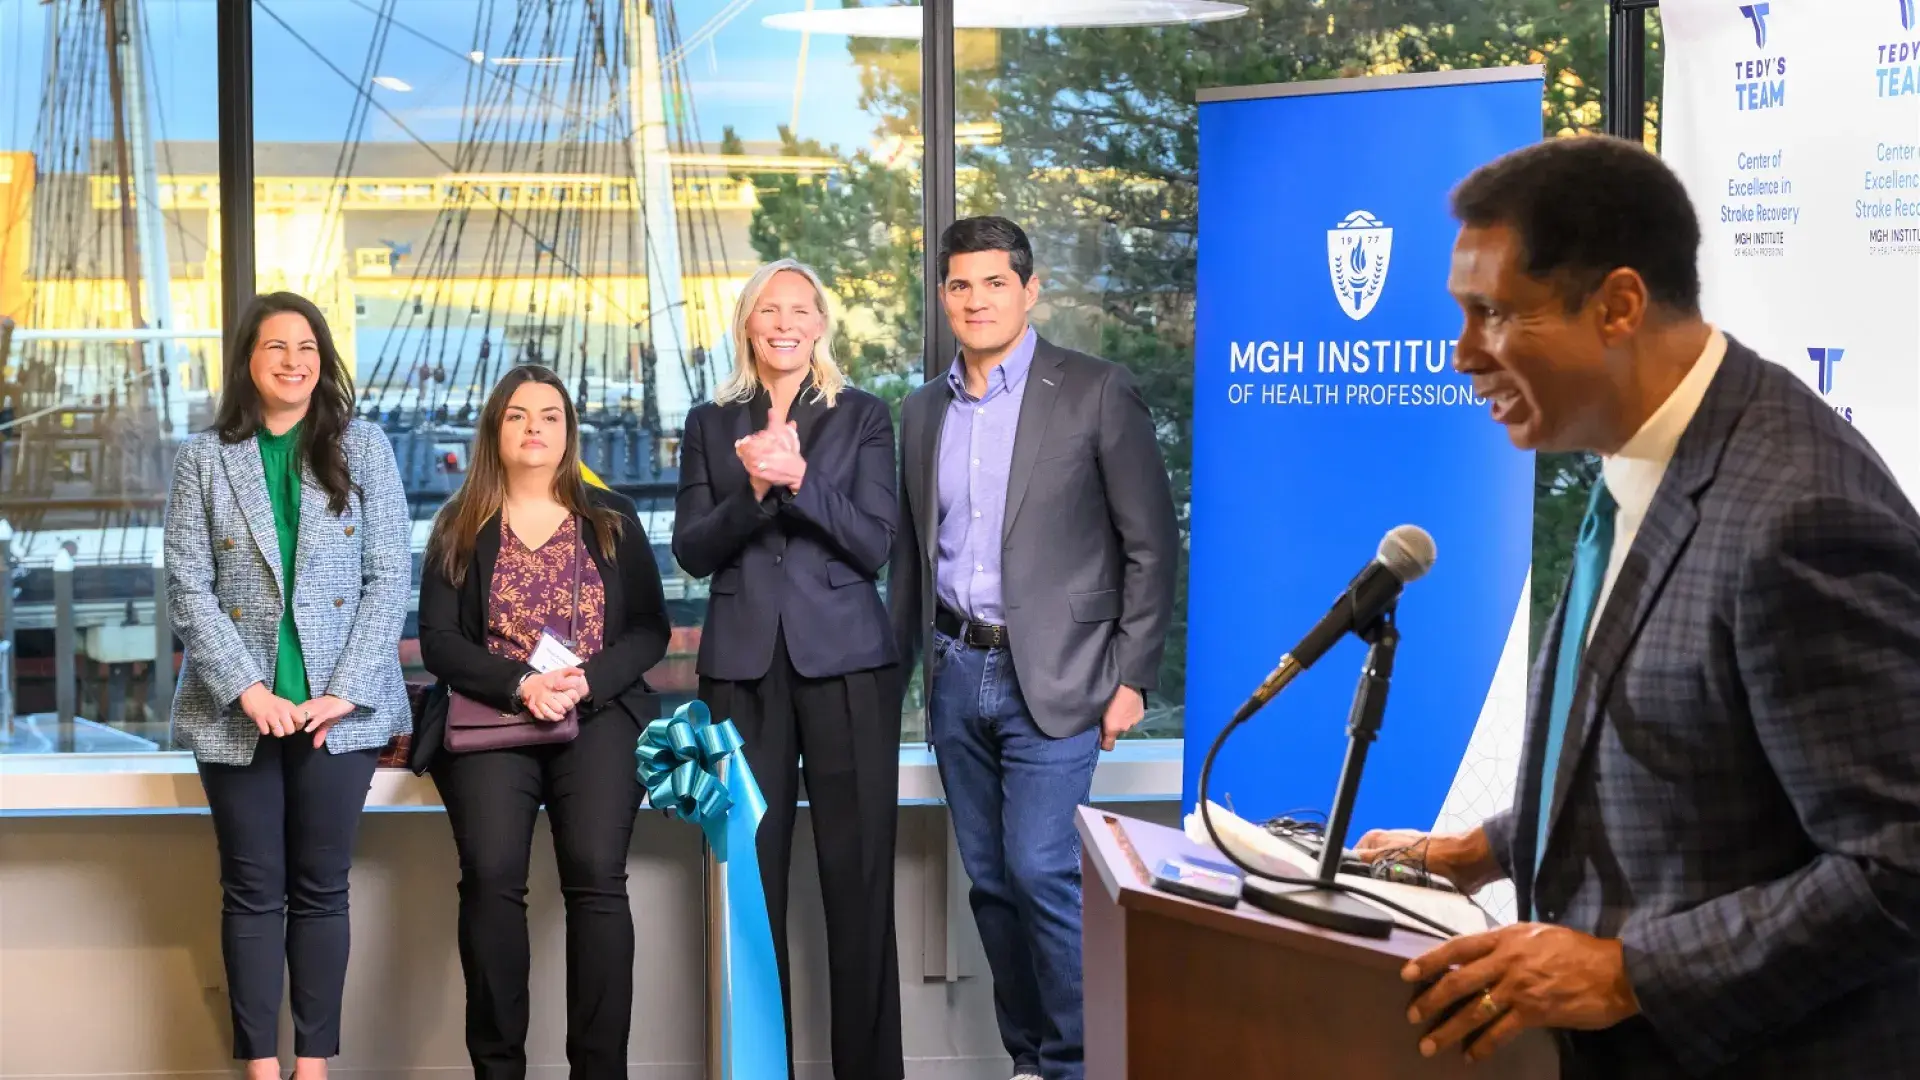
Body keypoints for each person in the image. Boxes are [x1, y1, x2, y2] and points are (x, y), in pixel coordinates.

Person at [1351, 136, 1920, 1078]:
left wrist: (1629, 974)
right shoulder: (1642, 454)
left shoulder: (1797, 515)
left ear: (1617, 305)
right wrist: (1486, 847)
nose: (1461, 357)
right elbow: (1678, 746)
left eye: (1492, 313)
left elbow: (1902, 861)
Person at [889, 217, 1178, 1080]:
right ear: (943, 297)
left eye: (993, 283)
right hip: (955, 674)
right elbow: (913, 553)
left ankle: (1079, 1064)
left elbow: (1152, 545)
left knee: (1042, 868)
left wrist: (1131, 679)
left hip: (1059, 675)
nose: (976, 301)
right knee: (989, 881)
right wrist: (906, 679)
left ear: (1030, 289)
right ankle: (1029, 1058)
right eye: (959, 286)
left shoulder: (1093, 389)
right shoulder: (922, 409)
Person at [164, 291, 412, 1079]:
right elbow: (187, 586)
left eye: (307, 347)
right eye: (276, 348)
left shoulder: (362, 446)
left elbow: (388, 574)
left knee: (321, 888)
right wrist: (248, 689)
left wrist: (343, 688)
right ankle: (259, 1066)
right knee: (250, 889)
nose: (294, 362)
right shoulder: (206, 456)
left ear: (324, 359)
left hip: (339, 709)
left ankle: (315, 1064)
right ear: (246, 361)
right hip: (240, 711)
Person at [673, 258, 904, 1080]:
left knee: (860, 883)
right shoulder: (708, 422)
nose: (784, 322)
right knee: (749, 892)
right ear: (747, 323)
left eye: (799, 309)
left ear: (821, 325)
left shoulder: (864, 417)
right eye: (768, 309)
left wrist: (799, 478)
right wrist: (754, 490)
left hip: (848, 668)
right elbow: (691, 550)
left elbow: (875, 543)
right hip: (740, 670)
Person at [413, 364, 670, 1079]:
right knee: (492, 876)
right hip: (491, 717)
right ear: (496, 429)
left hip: (598, 714)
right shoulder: (459, 524)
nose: (535, 428)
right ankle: (498, 1070)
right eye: (519, 415)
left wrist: (586, 681)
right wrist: (523, 685)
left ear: (568, 430)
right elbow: (439, 640)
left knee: (595, 874)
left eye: (550, 416)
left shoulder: (610, 517)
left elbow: (650, 628)